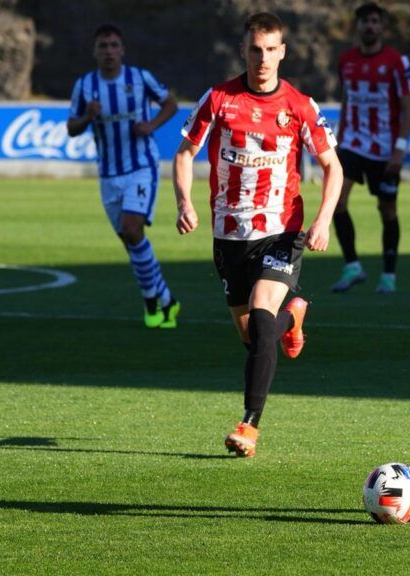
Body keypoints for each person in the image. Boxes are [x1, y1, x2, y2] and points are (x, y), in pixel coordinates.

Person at [173, 12, 342, 458]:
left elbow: (332, 167)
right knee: (255, 338)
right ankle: (295, 317)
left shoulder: (299, 106)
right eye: (255, 49)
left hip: (281, 231)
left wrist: (322, 221)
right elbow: (185, 153)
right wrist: (184, 202)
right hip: (229, 236)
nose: (263, 58)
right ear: (244, 50)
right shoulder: (219, 99)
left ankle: (248, 425)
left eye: (271, 49)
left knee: (263, 324)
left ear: (283, 51)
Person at [67, 24, 181, 328]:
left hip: (141, 167)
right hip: (108, 174)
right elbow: (71, 127)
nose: (109, 51)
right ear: (95, 51)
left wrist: (151, 125)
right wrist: (87, 117)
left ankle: (150, 303)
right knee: (131, 241)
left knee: (132, 230)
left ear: (122, 50)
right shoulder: (85, 86)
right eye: (103, 46)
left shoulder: (139, 78)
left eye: (114, 45)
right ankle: (166, 300)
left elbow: (171, 103)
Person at [331, 2, 410, 294]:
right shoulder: (346, 60)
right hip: (352, 144)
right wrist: (338, 144)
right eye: (365, 22)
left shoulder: (396, 61)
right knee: (336, 201)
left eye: (375, 22)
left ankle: (388, 276)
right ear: (358, 27)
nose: (369, 26)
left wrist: (399, 150)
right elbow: (347, 100)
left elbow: (407, 108)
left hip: (385, 149)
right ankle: (352, 266)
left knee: (386, 209)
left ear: (382, 28)